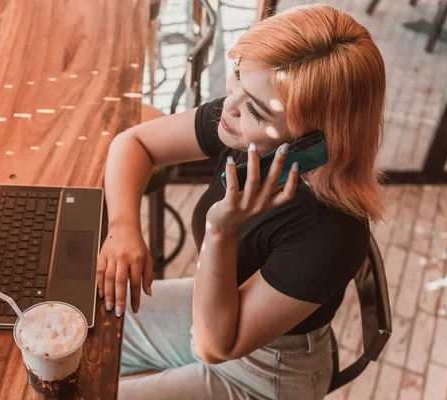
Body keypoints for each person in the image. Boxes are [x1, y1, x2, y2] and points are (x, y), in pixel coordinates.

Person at [98, 3, 386, 399]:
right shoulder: (243, 124)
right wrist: (123, 228)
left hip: (270, 371)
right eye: (238, 75)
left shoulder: (332, 230)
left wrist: (221, 229)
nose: (228, 105)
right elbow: (135, 142)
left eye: (253, 106)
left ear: (311, 141)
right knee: (80, 320)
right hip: (219, 304)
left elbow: (214, 347)